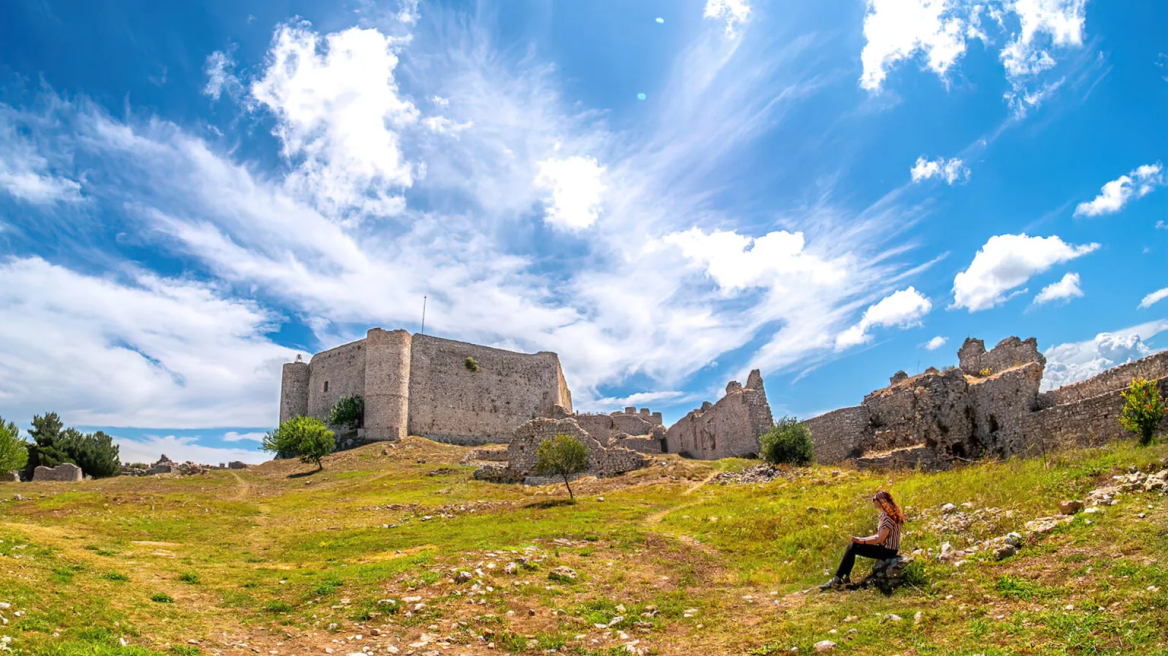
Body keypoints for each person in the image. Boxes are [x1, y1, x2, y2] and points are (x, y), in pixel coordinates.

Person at [820, 490, 904, 590]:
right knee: (853, 546)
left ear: (881, 502)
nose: (873, 501)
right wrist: (860, 539)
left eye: (874, 499)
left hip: (887, 551)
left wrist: (862, 541)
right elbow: (879, 536)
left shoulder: (887, 519)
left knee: (853, 547)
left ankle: (838, 578)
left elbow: (879, 539)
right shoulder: (888, 516)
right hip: (888, 549)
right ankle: (843, 577)